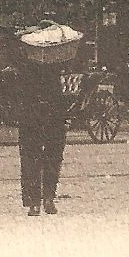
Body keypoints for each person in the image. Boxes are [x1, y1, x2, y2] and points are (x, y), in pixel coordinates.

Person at [15, 23, 79, 217]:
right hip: (51, 114)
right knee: (51, 157)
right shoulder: (60, 61)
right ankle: (47, 200)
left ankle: (35, 202)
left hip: (35, 114)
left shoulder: (25, 61)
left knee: (31, 158)